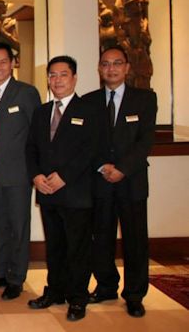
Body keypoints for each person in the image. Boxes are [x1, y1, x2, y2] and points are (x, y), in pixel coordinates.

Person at [84, 46, 157, 317]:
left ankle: (135, 294)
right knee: (100, 237)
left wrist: (123, 169)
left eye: (117, 63)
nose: (111, 69)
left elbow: (145, 140)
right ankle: (105, 286)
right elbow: (86, 143)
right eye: (105, 64)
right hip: (100, 181)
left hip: (132, 181)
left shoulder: (145, 99)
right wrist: (104, 166)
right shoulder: (89, 102)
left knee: (135, 240)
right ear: (99, 68)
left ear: (127, 67)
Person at [25, 56, 97, 321]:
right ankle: (55, 291)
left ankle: (78, 298)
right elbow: (30, 148)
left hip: (75, 192)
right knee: (54, 246)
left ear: (74, 78)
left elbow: (90, 150)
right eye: (52, 75)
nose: (57, 80)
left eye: (63, 75)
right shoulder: (42, 111)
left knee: (77, 248)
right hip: (46, 192)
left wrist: (64, 176)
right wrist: (35, 176)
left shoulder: (87, 110)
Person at [0, 42, 41, 300]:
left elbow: (37, 134)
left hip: (18, 174)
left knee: (18, 226)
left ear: (13, 62)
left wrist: (37, 170)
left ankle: (16, 278)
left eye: (4, 61)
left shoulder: (26, 92)